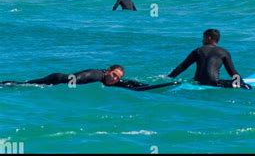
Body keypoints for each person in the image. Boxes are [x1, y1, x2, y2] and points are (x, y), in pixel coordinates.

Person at [167, 28, 251, 89]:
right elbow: (232, 72)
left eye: (203, 37)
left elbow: (182, 66)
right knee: (243, 85)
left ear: (209, 38)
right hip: (215, 83)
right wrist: (241, 83)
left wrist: (170, 77)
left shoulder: (198, 50)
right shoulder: (223, 52)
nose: (202, 40)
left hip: (198, 82)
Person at [0, 65, 174, 91]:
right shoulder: (94, 76)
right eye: (113, 74)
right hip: (56, 79)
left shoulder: (111, 81)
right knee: (25, 85)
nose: (115, 78)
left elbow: (130, 85)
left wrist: (148, 87)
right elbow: (74, 79)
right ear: (107, 72)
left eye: (117, 77)